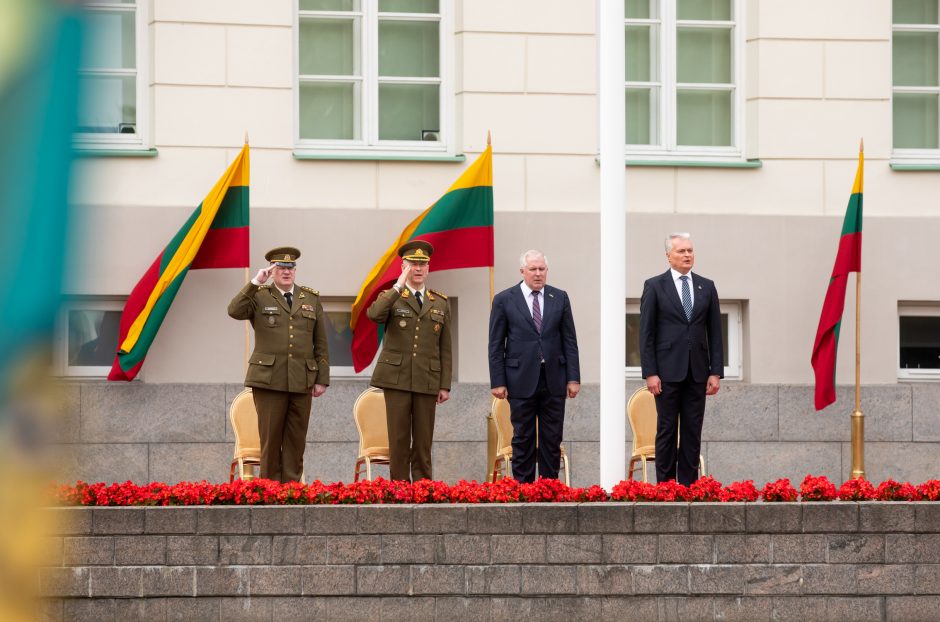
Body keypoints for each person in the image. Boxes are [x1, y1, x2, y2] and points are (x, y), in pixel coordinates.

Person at [227, 246, 330, 482]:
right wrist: (255, 282)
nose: (286, 272)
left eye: (290, 268)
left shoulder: (310, 298)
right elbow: (234, 310)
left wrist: (321, 378)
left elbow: (321, 342)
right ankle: (270, 488)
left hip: (302, 379)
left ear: (295, 270)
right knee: (270, 438)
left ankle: (292, 488)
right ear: (272, 271)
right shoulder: (259, 295)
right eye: (281, 268)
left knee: (296, 438)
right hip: (268, 379)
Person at [488, 250, 580, 483]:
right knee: (523, 437)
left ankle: (549, 489)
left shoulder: (559, 297)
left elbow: (569, 340)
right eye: (533, 269)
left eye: (542, 269)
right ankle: (524, 490)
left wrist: (573, 377)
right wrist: (497, 381)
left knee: (552, 437)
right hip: (519, 379)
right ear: (522, 271)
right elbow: (496, 343)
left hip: (554, 378)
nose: (538, 274)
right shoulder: (504, 299)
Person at [639, 232, 723, 486]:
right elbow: (646, 333)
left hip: (697, 372)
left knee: (692, 430)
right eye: (681, 251)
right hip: (666, 373)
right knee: (666, 430)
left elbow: (715, 332)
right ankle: (666, 487)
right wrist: (650, 372)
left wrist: (715, 371)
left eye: (690, 250)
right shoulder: (654, 286)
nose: (687, 255)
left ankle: (688, 487)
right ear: (668, 256)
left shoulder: (706, 286)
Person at [367, 240, 452, 482]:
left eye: (422, 264)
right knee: (399, 438)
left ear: (428, 268)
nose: (418, 268)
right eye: (413, 263)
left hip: (427, 378)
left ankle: (424, 488)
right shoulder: (392, 296)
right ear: (403, 266)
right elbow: (374, 315)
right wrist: (397, 286)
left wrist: (444, 384)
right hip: (397, 378)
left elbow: (445, 347)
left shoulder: (440, 302)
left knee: (424, 441)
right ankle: (400, 488)